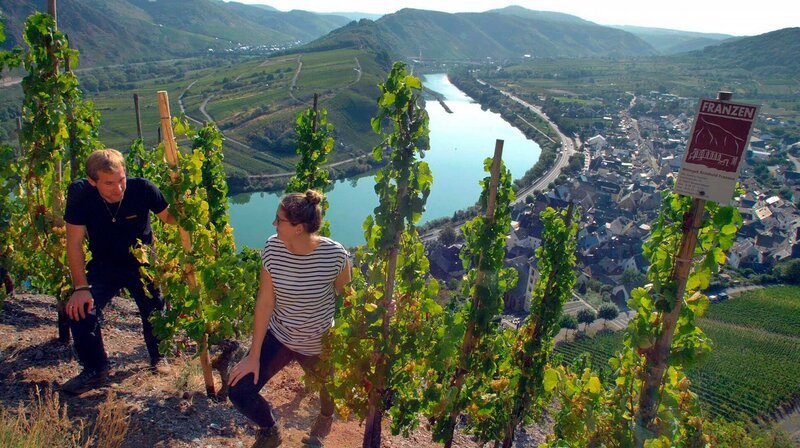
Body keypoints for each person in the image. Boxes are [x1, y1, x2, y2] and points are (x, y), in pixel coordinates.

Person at [228, 190, 351, 448]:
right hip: (280, 337)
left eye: (279, 220)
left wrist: (378, 310)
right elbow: (265, 302)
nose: (274, 224)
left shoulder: (335, 256)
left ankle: (326, 416)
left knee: (327, 391)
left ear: (299, 228)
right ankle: (270, 430)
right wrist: (253, 356)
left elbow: (347, 296)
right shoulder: (273, 247)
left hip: (318, 343)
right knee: (238, 390)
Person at [61, 149, 177, 395]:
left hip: (142, 264)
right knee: (81, 312)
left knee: (155, 311)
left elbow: (172, 219)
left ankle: (159, 357)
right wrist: (80, 289)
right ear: (93, 182)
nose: (119, 188)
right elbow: (73, 244)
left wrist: (184, 194)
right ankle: (95, 369)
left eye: (122, 179)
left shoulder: (143, 189)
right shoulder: (81, 196)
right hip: (104, 265)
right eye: (109, 183)